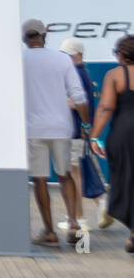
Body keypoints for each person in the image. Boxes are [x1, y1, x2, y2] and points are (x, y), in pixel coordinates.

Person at [22, 19, 88, 248]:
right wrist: (87, 125)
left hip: (33, 129)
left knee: (40, 179)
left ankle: (49, 232)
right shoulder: (62, 59)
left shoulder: (19, 60)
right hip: (62, 127)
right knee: (65, 175)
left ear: (24, 38)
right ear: (44, 36)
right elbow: (79, 96)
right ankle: (73, 224)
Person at [89, 34, 134, 253]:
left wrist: (94, 136)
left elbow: (106, 107)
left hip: (124, 133)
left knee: (124, 179)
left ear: (122, 54)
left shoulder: (115, 75)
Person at [59, 38, 100, 230]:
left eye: (67, 54)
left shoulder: (76, 73)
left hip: (74, 129)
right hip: (78, 129)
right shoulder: (83, 72)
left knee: (73, 173)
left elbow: (78, 102)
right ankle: (76, 217)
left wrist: (61, 102)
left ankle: (78, 218)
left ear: (77, 54)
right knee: (76, 172)